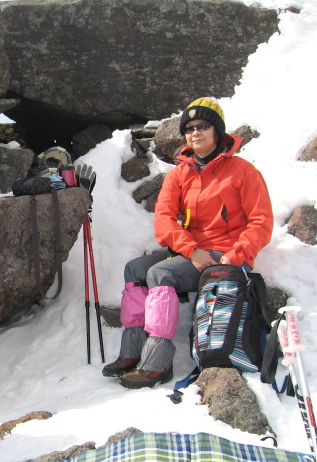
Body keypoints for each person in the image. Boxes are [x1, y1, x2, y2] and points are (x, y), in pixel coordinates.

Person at [102, 97, 274, 388]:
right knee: (136, 269)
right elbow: (164, 220)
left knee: (160, 274)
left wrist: (237, 254)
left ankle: (158, 363)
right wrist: (191, 250)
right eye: (190, 128)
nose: (195, 132)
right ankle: (132, 351)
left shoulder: (242, 171)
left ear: (217, 131)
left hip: (224, 253)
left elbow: (261, 221)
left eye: (203, 126)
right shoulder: (180, 174)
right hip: (192, 251)